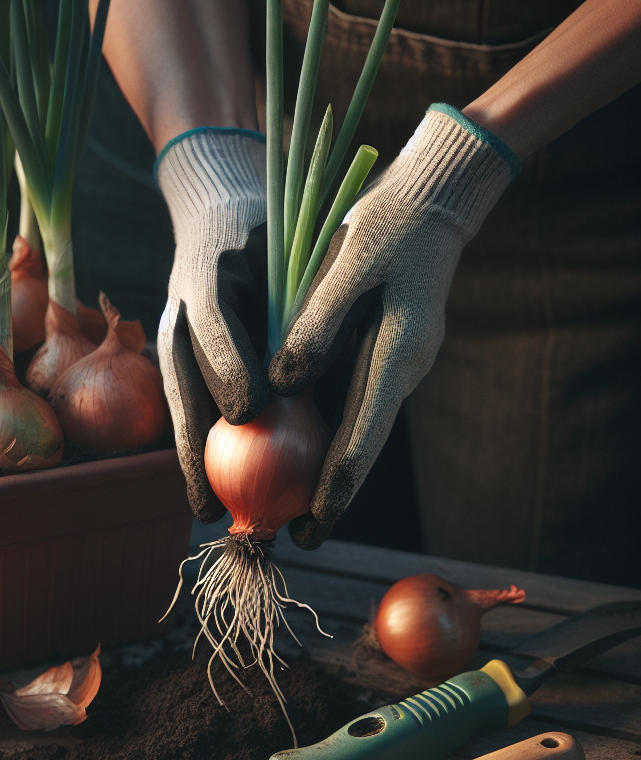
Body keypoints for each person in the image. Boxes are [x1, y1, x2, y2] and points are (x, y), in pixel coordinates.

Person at [76, 0, 641, 585]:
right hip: (291, 158)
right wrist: (210, 161)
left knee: (519, 590)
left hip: (561, 196)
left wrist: (457, 173)